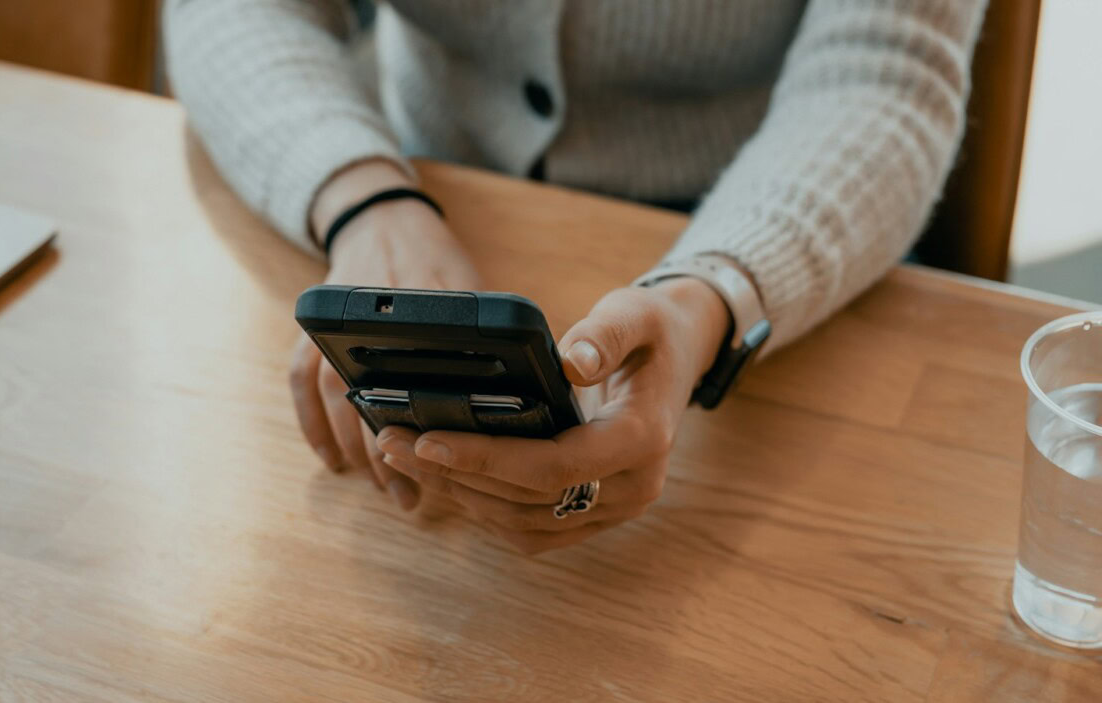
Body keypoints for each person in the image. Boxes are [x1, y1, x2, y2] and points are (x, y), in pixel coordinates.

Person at [165, 0, 988, 553]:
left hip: (779, 234)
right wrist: (362, 196)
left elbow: (886, 75)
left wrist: (715, 291)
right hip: (419, 177)